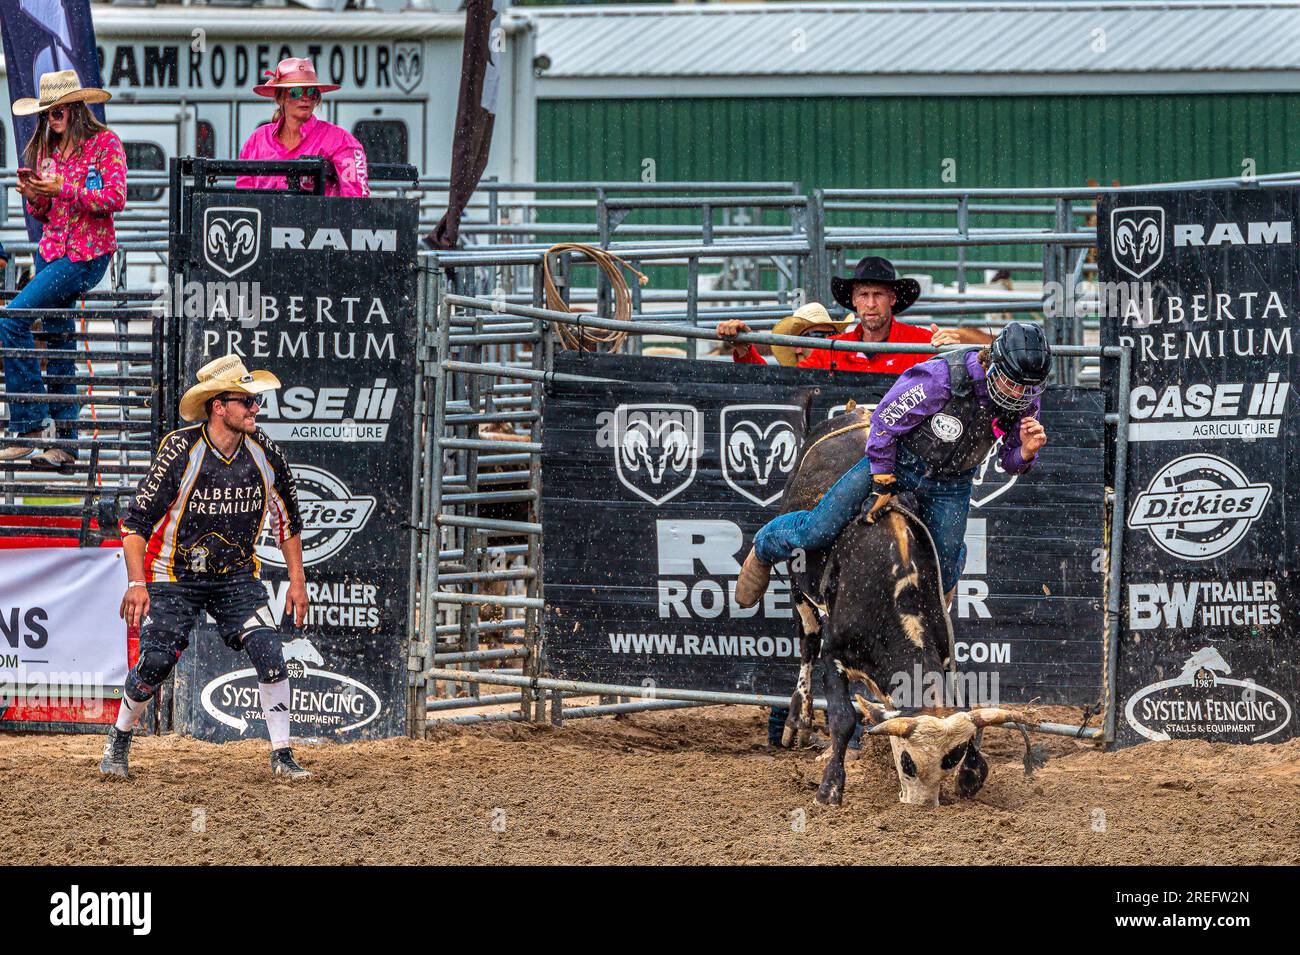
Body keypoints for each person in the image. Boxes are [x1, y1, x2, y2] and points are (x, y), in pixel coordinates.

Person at [736, 321, 1052, 621]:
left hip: (952, 482)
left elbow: (1008, 461)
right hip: (900, 461)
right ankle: (764, 547)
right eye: (1011, 383)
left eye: (1027, 388)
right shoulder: (942, 378)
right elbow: (885, 422)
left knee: (945, 568)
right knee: (817, 528)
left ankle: (926, 627)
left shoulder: (1025, 398)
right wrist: (884, 477)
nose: (1016, 393)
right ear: (991, 363)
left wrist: (1024, 452)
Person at [103, 355, 311, 781]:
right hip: (173, 574)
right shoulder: (181, 449)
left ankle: (282, 754)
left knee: (271, 652)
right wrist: (137, 581)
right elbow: (135, 522)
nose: (255, 409)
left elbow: (287, 519)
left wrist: (297, 580)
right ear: (219, 406)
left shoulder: (266, 454)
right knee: (157, 660)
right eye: (246, 402)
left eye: (255, 402)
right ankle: (119, 738)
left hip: (236, 575)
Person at [1, 70, 124, 467]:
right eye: (47, 114)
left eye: (57, 112)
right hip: (54, 251)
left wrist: (62, 190)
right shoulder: (48, 153)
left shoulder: (105, 144)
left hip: (87, 255)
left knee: (13, 320)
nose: (52, 120)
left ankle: (30, 422)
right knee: (59, 341)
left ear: (75, 109)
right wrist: (37, 197)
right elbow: (48, 213)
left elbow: (115, 198)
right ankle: (66, 442)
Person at [717, 255, 992, 372]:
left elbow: (981, 369)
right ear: (854, 301)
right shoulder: (833, 351)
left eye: (878, 295)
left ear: (892, 299)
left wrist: (961, 352)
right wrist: (744, 349)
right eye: (864, 295)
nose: (871, 303)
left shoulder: (922, 344)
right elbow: (781, 390)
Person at [235, 58, 369, 198]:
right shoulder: (257, 140)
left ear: (316, 99)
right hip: (266, 219)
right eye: (296, 91)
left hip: (319, 220)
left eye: (311, 92)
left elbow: (357, 201)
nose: (305, 98)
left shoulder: (342, 141)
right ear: (280, 98)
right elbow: (243, 199)